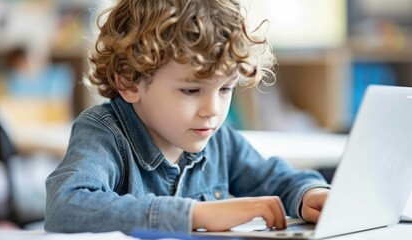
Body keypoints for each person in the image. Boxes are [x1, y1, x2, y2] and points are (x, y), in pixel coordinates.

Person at [45, 0, 330, 235]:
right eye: (191, 89)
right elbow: (65, 206)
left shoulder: (217, 139)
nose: (213, 110)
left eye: (225, 88)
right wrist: (193, 215)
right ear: (130, 82)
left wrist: (308, 194)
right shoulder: (104, 133)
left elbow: (273, 179)